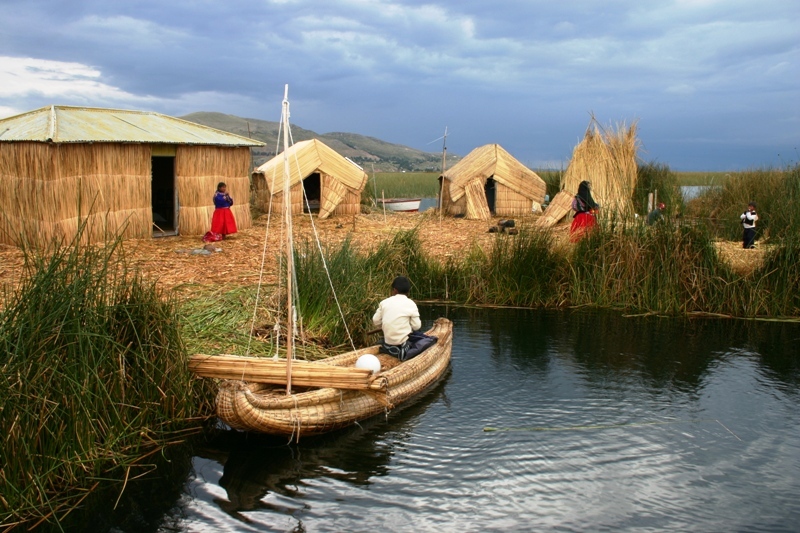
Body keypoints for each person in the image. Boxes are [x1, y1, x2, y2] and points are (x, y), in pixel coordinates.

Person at [372, 276, 425, 361]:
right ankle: (403, 351)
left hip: (388, 342)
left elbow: (375, 321)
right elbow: (417, 326)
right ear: (408, 291)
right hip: (402, 343)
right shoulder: (411, 304)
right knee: (419, 337)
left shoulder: (384, 303)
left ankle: (390, 349)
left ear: (395, 290)